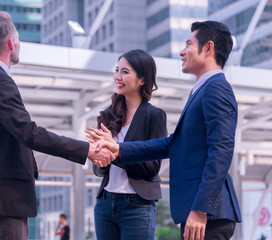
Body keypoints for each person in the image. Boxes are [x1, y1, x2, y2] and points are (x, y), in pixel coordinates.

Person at [0, 11, 113, 240]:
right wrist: (86, 150)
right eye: (19, 38)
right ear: (11, 43)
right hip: (5, 199)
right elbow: (29, 132)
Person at [94, 21, 242, 240]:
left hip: (207, 214)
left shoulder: (216, 89)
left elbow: (221, 150)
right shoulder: (202, 91)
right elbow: (172, 144)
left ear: (208, 48)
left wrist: (202, 209)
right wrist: (118, 149)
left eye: (188, 44)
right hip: (197, 212)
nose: (182, 51)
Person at [86, 49, 167, 240]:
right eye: (117, 70)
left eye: (125, 71)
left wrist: (116, 152)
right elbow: (98, 170)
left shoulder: (154, 116)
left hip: (137, 205)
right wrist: (99, 159)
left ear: (142, 79)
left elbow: (152, 168)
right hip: (105, 204)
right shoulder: (107, 115)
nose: (118, 76)